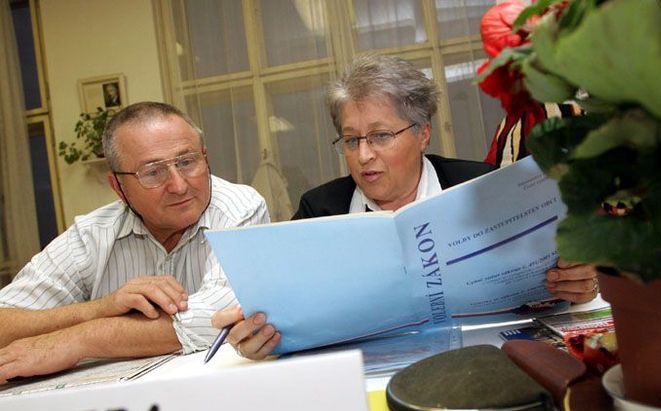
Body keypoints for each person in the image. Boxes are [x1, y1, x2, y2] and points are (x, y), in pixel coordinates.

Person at [214, 54, 598, 361]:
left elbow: (549, 282)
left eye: (381, 136)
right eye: (350, 140)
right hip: (368, 377)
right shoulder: (319, 208)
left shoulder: (483, 187)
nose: (364, 155)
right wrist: (259, 334)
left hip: (488, 359)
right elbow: (283, 311)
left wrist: (575, 282)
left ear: (423, 133)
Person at [0, 101, 278, 383]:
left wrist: (80, 339)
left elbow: (218, 316)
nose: (179, 185)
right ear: (118, 186)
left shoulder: (239, 208)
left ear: (205, 158)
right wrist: (100, 308)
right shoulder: (92, 235)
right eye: (153, 172)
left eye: (187, 162)